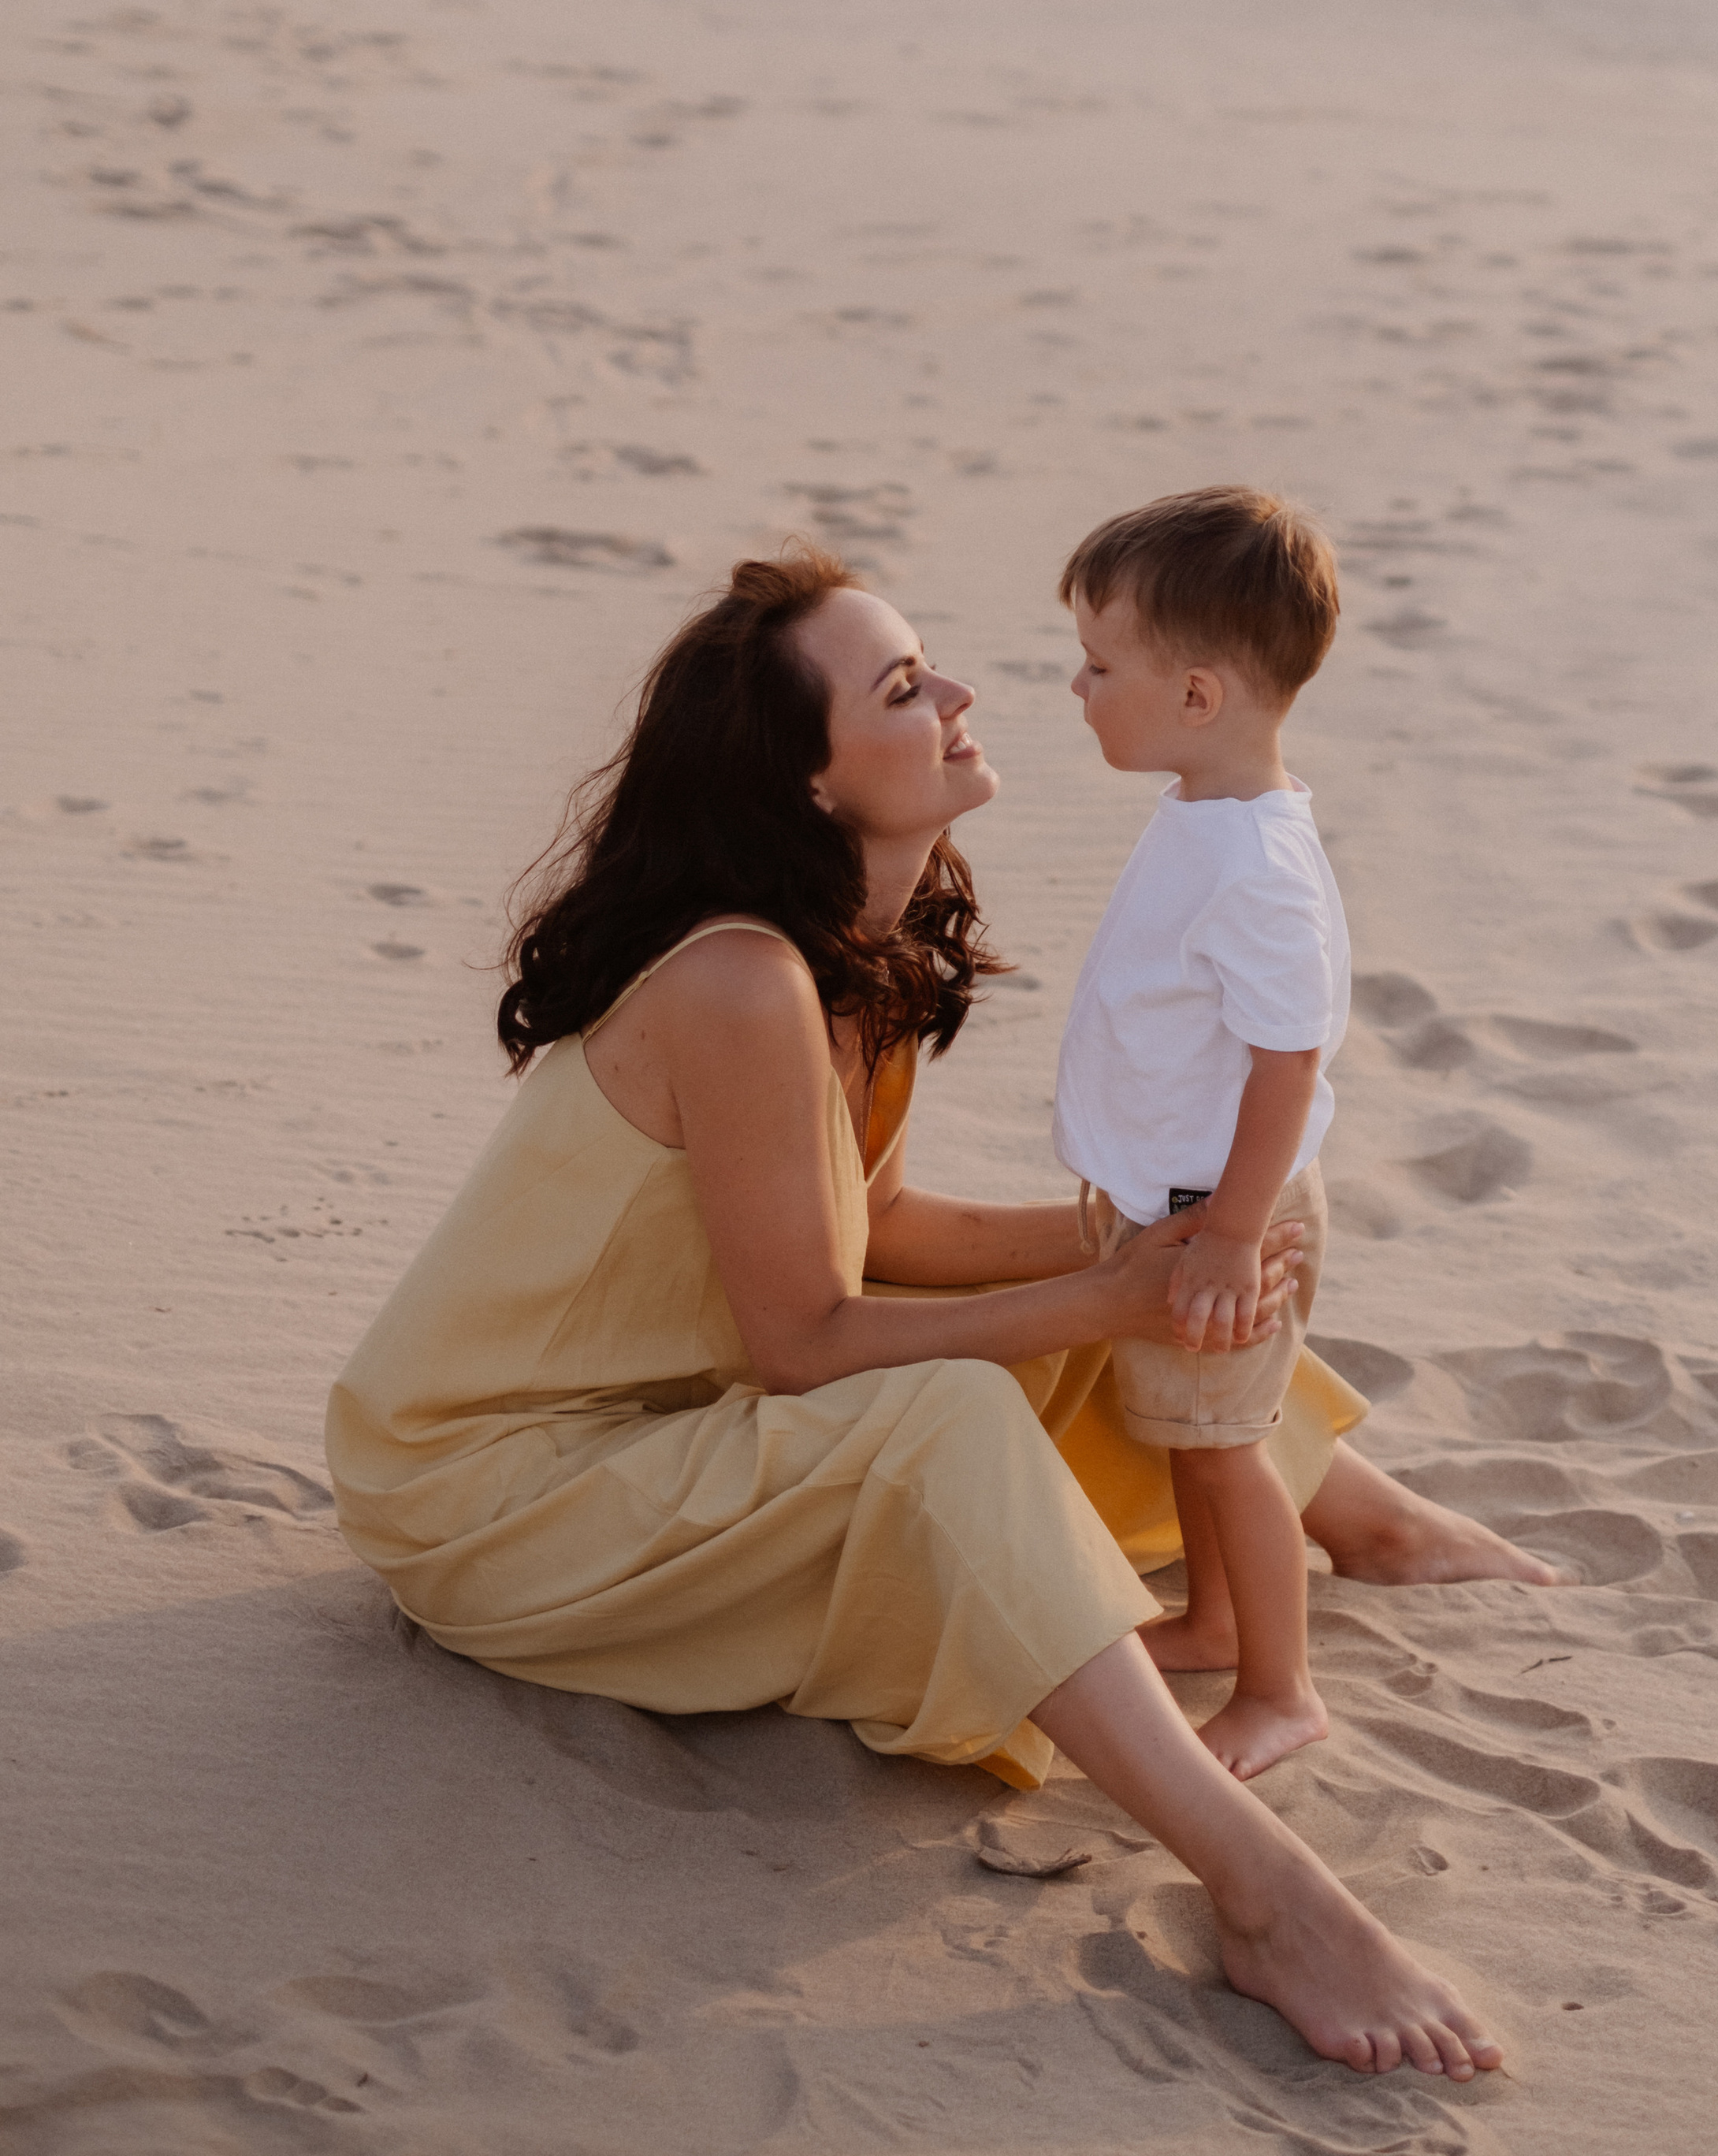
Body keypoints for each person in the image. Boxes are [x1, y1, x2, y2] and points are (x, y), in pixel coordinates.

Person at [327, 546, 1546, 2077]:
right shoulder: (735, 983)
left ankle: (1364, 1520)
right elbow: (808, 1344)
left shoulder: (858, 950)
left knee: (1120, 1274)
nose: (961, 693)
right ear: (809, 779)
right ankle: (1266, 1896)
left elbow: (882, 1228)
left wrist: (1137, 1256)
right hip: (495, 1496)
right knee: (965, 1399)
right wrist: (1101, 1285)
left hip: (679, 1418)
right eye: (904, 688)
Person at [1055, 488, 1350, 1782]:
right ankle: (1217, 1622)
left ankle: (1282, 1689)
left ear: (1195, 696)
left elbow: (1290, 1063)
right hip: (1174, 1201)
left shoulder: (1258, 867)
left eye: (1098, 666)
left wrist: (1231, 1234)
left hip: (1223, 1209)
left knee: (1230, 1450)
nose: (1078, 688)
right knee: (1188, 1429)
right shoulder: (1205, 815)